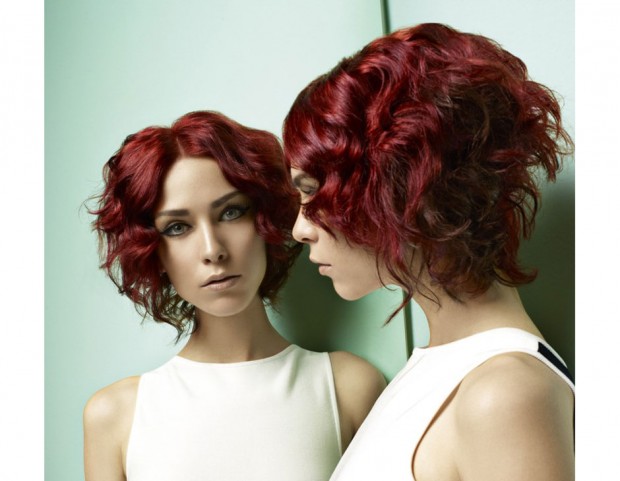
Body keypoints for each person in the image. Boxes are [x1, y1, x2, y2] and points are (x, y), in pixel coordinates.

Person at [283, 23, 574, 481]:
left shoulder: (502, 393)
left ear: (400, 186)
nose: (301, 229)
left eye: (314, 194)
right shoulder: (443, 373)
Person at [83, 110, 386, 481]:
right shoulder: (114, 417)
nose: (213, 250)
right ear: (153, 251)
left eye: (230, 212)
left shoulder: (348, 388)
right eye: (177, 227)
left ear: (264, 219)